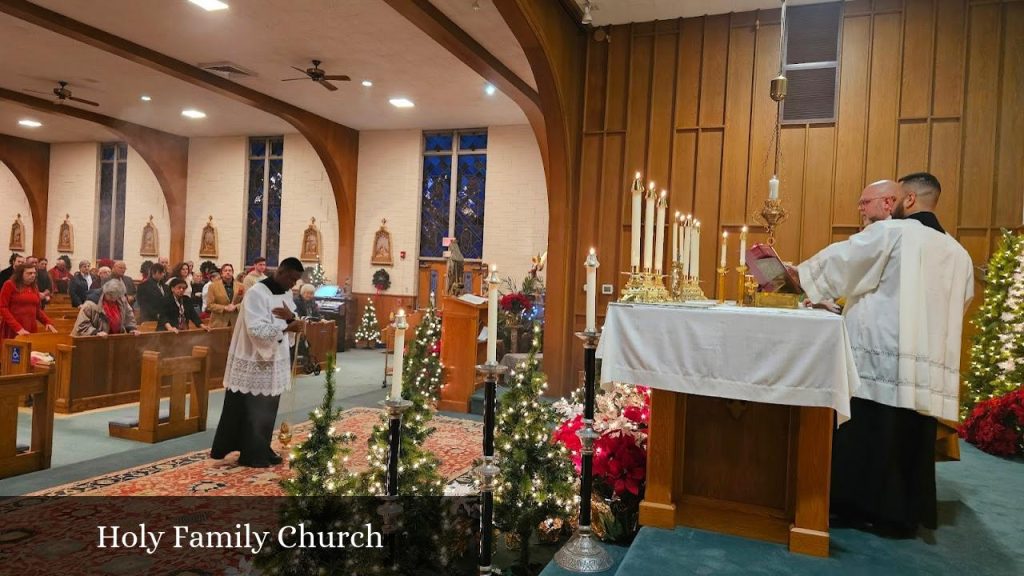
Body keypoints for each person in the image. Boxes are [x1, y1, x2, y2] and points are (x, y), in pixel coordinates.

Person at [792, 204, 974, 536]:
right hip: (923, 366)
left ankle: (854, 508)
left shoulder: (893, 232)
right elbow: (959, 303)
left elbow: (846, 261)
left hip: (881, 357)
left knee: (869, 433)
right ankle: (902, 516)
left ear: (907, 197)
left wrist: (799, 275)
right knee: (910, 435)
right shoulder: (959, 254)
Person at [211, 257, 306, 468]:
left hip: (276, 356)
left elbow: (291, 319)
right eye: (291, 278)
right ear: (280, 271)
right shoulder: (257, 293)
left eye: (296, 280)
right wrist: (287, 327)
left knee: (269, 405)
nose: (293, 284)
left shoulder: (287, 293)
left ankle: (261, 445)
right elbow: (256, 328)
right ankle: (251, 452)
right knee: (253, 406)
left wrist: (292, 319)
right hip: (255, 357)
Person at [0, 264, 57, 341]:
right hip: (13, 327)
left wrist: (47, 322)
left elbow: (37, 310)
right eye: (29, 273)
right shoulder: (9, 284)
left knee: (29, 351)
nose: (33, 275)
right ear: (20, 274)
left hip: (30, 326)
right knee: (14, 352)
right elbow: (3, 307)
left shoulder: (34, 287)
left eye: (34, 273)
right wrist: (17, 328)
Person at [72, 281, 139, 336]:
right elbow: (81, 325)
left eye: (117, 297)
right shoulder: (90, 304)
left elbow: (129, 315)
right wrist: (95, 332)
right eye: (111, 296)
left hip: (113, 339)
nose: (114, 300)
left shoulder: (121, 299)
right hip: (91, 342)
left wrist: (131, 328)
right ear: (106, 292)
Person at [206, 263, 244, 328]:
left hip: (235, 321)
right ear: (221, 273)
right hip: (219, 321)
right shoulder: (213, 286)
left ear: (233, 272)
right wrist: (224, 308)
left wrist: (235, 307)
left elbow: (245, 302)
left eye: (230, 270)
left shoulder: (241, 286)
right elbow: (210, 305)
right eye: (225, 271)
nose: (228, 272)